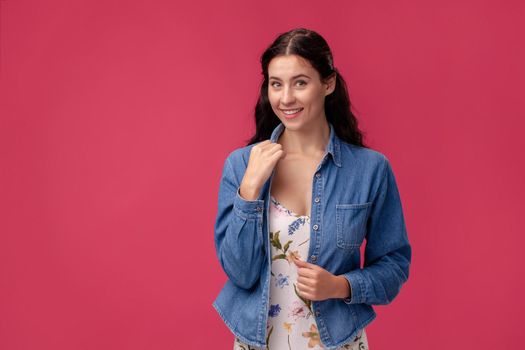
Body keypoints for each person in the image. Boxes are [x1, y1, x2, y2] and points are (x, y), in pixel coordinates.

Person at [212, 28, 412, 350]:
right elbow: (240, 272)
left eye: (300, 82)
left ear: (328, 84)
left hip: (339, 343)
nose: (286, 97)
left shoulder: (371, 170)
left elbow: (394, 265)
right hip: (257, 343)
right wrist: (250, 189)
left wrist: (341, 285)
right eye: (276, 84)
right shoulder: (242, 165)